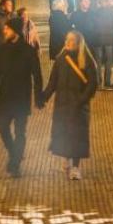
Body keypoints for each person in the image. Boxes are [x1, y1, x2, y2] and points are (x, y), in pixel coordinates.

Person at [0, 18, 43, 177]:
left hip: (21, 96)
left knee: (20, 131)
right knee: (2, 125)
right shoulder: (2, 49)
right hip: (5, 95)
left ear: (15, 30)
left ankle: (15, 163)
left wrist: (38, 96)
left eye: (7, 29)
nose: (4, 31)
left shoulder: (28, 50)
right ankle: (14, 154)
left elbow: (37, 75)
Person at [42, 31, 97, 180]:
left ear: (78, 43)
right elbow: (53, 82)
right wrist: (43, 97)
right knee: (64, 133)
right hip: (62, 104)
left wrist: (81, 100)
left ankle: (76, 167)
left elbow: (93, 83)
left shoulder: (85, 60)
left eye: (71, 40)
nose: (67, 42)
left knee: (77, 135)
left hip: (78, 106)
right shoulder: (61, 59)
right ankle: (66, 158)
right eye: (67, 39)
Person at [94, 0, 113, 89]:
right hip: (109, 39)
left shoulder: (95, 13)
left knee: (98, 61)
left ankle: (98, 82)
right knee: (109, 61)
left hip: (98, 40)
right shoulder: (112, 12)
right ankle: (107, 82)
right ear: (106, 3)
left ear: (99, 3)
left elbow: (93, 25)